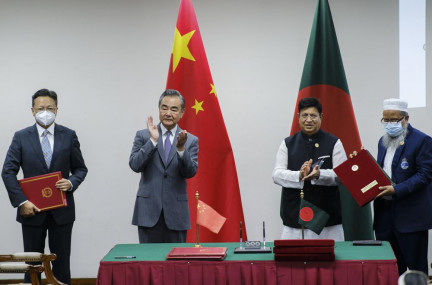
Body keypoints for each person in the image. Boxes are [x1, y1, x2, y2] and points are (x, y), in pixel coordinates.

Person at [2, 89, 88, 284]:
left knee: (62, 263)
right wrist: (21, 201)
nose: (45, 112)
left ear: (57, 109)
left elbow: (81, 169)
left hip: (62, 211)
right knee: (31, 264)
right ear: (32, 111)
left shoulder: (69, 135)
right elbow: (7, 171)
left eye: (50, 108)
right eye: (40, 108)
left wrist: (72, 182)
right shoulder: (21, 137)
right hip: (31, 210)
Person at [272, 97, 347, 240]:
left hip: (327, 220)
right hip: (295, 216)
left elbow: (342, 175)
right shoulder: (287, 143)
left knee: (331, 260)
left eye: (313, 115)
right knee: (292, 261)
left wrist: (319, 175)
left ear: (321, 117)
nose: (308, 120)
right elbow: (276, 174)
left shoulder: (334, 142)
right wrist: (299, 175)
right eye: (304, 115)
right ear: (298, 117)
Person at [129, 89, 198, 243]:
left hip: (176, 214)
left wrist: (181, 149)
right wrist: (152, 142)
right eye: (164, 108)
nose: (168, 113)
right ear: (159, 109)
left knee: (176, 264)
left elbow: (190, 172)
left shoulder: (190, 140)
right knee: (148, 263)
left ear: (182, 113)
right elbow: (134, 165)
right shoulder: (144, 135)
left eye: (174, 109)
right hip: (148, 212)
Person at [374, 98, 432, 275]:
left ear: (406, 119)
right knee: (389, 269)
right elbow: (380, 172)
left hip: (411, 218)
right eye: (386, 120)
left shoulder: (422, 140)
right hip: (385, 216)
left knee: (415, 270)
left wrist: (396, 189)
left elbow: (425, 175)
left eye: (394, 119)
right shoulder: (382, 142)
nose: (390, 124)